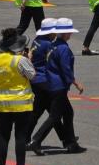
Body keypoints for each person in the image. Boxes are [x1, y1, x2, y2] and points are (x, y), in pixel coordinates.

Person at [26, 18, 86, 155]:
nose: (70, 35)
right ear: (64, 33)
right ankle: (36, 140)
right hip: (57, 85)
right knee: (54, 116)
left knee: (67, 112)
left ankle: (70, 143)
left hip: (49, 82)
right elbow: (65, 68)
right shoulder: (63, 48)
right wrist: (75, 82)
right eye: (69, 32)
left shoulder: (52, 45)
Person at [0, 27, 37, 165]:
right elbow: (32, 75)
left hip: (1, 104)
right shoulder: (20, 60)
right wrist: (29, 59)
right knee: (20, 137)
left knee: (3, 136)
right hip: (21, 104)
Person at [25, 18, 66, 149]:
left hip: (36, 80)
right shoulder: (48, 44)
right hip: (44, 80)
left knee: (41, 111)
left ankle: (65, 137)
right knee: (53, 113)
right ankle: (32, 139)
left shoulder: (37, 40)